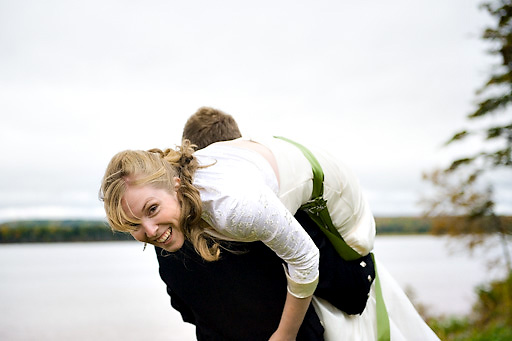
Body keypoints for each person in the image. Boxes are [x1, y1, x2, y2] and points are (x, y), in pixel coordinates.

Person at [100, 108, 439, 340]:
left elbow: (183, 309)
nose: (148, 228)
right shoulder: (187, 222)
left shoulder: (177, 234)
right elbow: (348, 291)